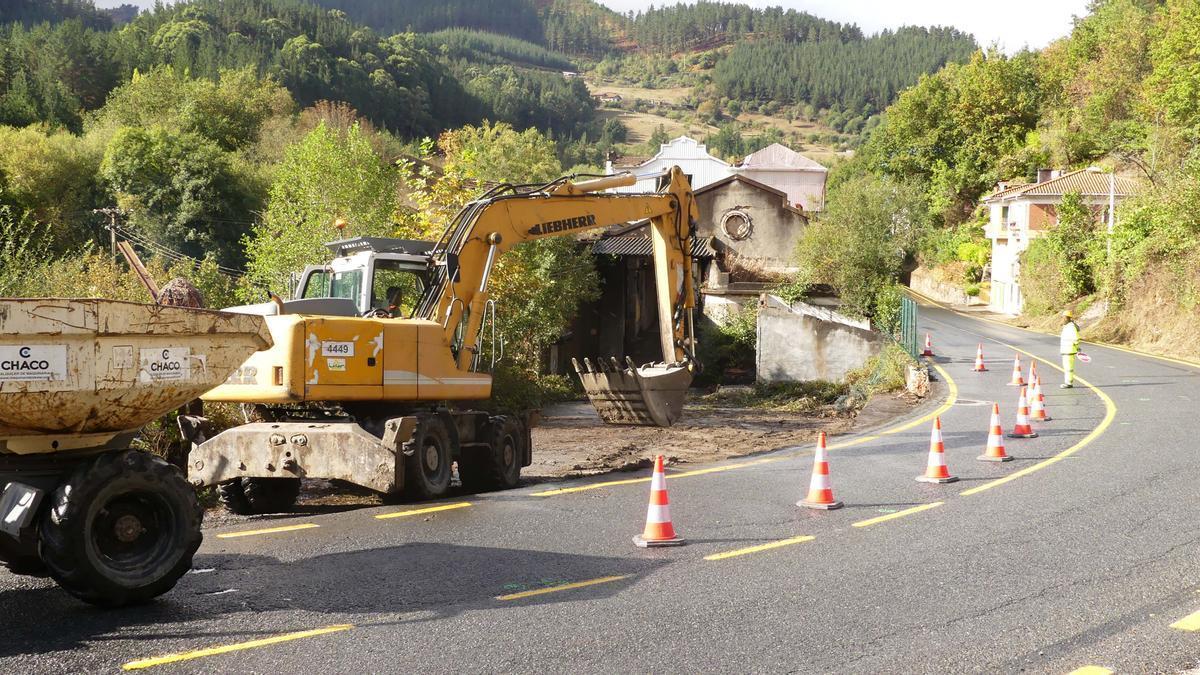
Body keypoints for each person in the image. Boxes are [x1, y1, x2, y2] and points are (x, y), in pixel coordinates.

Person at [1059, 310, 1080, 388]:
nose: (1062, 319)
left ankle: (1068, 383)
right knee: (1067, 368)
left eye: (1063, 317)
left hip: (1069, 350)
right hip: (1066, 350)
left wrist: (1077, 347)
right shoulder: (1067, 326)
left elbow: (1076, 338)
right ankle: (1068, 382)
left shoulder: (1071, 327)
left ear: (1066, 318)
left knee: (1068, 368)